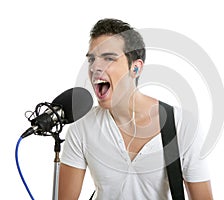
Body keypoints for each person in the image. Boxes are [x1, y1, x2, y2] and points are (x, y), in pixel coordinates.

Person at [58, 18, 213, 200]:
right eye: (92, 59)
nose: (95, 67)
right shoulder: (81, 129)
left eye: (108, 58)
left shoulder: (182, 125)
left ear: (136, 68)